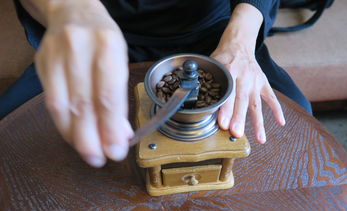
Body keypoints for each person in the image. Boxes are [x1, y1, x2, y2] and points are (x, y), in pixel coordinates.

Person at [1, 0, 312, 167]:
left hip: (217, 32)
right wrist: (68, 10)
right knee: (12, 134)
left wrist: (241, 39)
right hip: (96, 34)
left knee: (299, 128)